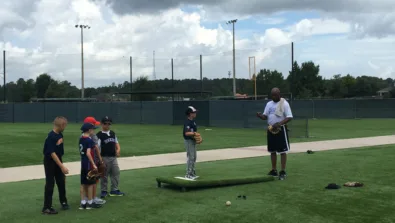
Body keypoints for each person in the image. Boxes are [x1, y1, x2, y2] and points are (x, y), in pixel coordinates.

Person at [257, 88, 293, 180]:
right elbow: (265, 116)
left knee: (282, 151)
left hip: (280, 129)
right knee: (272, 150)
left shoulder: (284, 103)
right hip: (271, 129)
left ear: (279, 94)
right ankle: (274, 170)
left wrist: (279, 124)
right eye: (272, 95)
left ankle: (283, 171)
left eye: (275, 95)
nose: (273, 97)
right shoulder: (269, 104)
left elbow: (289, 117)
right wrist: (261, 116)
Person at [42, 116, 69, 215]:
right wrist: (62, 166)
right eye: (65, 125)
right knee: (50, 183)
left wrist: (61, 164)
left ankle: (64, 201)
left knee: (61, 181)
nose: (65, 127)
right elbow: (52, 153)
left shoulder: (60, 135)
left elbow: (58, 152)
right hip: (50, 161)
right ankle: (46, 207)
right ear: (61, 125)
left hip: (58, 160)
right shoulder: (51, 136)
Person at [97, 116, 125, 198]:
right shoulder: (99, 135)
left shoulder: (112, 133)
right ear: (101, 124)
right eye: (105, 123)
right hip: (104, 157)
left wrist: (118, 150)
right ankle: (104, 190)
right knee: (104, 175)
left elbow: (116, 143)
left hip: (113, 157)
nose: (107, 125)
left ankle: (114, 190)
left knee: (116, 173)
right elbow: (97, 148)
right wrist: (100, 159)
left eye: (109, 123)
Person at [79, 123, 102, 210]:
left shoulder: (81, 139)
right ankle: (90, 202)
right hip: (89, 164)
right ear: (89, 130)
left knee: (83, 183)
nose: (93, 131)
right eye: (93, 129)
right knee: (90, 183)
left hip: (83, 163)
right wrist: (93, 164)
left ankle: (83, 203)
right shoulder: (89, 140)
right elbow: (88, 153)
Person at [83, 117, 106, 205]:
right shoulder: (93, 137)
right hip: (94, 161)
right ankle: (93, 198)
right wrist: (100, 160)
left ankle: (86, 197)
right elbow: (96, 149)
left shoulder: (82, 136)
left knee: (87, 179)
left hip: (86, 161)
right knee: (95, 179)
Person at [183, 106, 199, 180]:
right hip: (189, 141)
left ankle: (192, 173)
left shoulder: (193, 121)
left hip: (192, 141)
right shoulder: (187, 122)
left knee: (194, 157)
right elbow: (186, 133)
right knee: (191, 157)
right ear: (190, 114)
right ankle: (188, 174)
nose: (195, 113)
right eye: (194, 112)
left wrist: (195, 137)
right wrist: (194, 133)